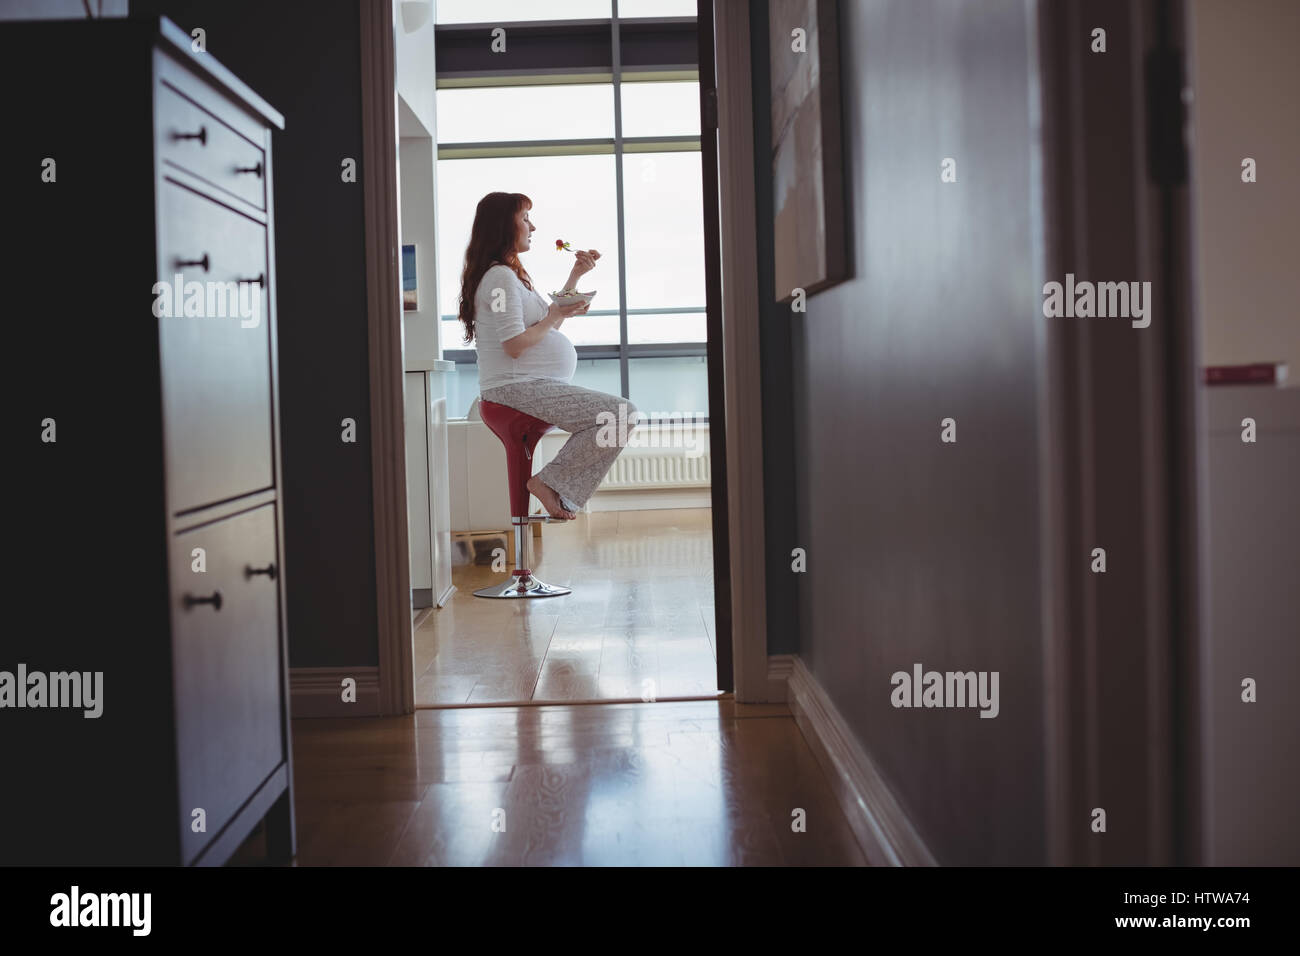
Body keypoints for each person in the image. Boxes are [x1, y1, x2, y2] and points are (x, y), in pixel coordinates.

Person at [457, 191, 640, 519]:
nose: (533, 226)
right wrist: (556, 315)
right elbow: (514, 344)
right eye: (525, 218)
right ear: (503, 225)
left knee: (619, 415)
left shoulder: (511, 276)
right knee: (620, 413)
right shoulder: (499, 278)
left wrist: (576, 277)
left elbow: (547, 322)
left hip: (531, 386)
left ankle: (553, 484)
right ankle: (548, 483)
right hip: (515, 389)